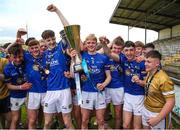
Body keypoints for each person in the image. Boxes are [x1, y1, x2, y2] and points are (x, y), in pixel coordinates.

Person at [101, 39, 146, 129]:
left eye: (131, 50)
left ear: (135, 50)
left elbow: (147, 82)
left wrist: (139, 81)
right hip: (127, 95)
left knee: (136, 126)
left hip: (139, 96)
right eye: (126, 50)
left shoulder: (142, 63)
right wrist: (103, 44)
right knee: (126, 125)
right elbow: (109, 53)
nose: (129, 53)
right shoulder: (123, 60)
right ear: (123, 51)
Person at [76, 34, 111, 129]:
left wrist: (103, 84)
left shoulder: (103, 58)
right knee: (84, 120)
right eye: (88, 43)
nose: (91, 45)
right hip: (86, 92)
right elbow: (78, 72)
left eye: (93, 43)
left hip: (100, 93)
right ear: (85, 44)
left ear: (96, 44)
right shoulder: (81, 56)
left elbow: (109, 77)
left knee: (101, 120)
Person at [133, 50, 175, 129]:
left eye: (148, 62)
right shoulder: (150, 72)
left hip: (158, 113)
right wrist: (139, 81)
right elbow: (148, 84)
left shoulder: (164, 79)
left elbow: (171, 102)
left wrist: (158, 118)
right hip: (146, 109)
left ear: (157, 63)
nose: (145, 64)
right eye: (145, 61)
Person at [3, 44, 32, 129]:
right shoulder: (7, 68)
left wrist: (19, 40)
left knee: (30, 118)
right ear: (10, 57)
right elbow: (8, 86)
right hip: (15, 96)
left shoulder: (26, 63)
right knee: (15, 119)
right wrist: (21, 87)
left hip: (28, 94)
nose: (18, 59)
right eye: (15, 57)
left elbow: (25, 48)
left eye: (20, 56)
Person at [100, 36, 125, 129]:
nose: (117, 50)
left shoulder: (122, 57)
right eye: (115, 48)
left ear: (122, 49)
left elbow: (109, 53)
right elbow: (100, 52)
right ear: (111, 47)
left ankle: (117, 128)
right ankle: (104, 126)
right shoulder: (105, 55)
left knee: (118, 113)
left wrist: (104, 44)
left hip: (118, 88)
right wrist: (108, 44)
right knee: (102, 111)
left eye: (119, 48)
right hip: (106, 86)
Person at [0, 57, 11, 129]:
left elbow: (9, 77)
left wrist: (1, 76)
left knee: (10, 119)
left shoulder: (4, 61)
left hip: (5, 95)